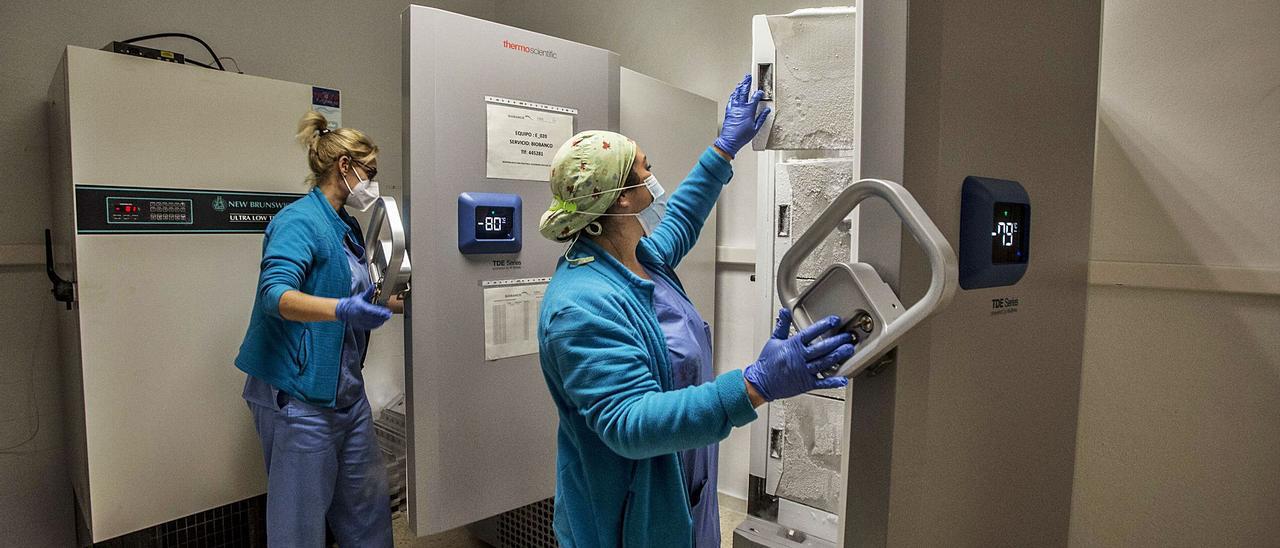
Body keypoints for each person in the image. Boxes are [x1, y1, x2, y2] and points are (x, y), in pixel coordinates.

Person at [537, 75, 857, 548]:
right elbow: (629, 422)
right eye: (646, 171)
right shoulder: (580, 305)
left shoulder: (639, 257)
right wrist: (754, 384)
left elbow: (681, 220)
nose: (654, 179)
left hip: (682, 482)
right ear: (621, 199)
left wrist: (725, 149)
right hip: (625, 518)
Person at [234, 111, 400, 547]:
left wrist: (401, 304)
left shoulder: (347, 225)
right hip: (300, 400)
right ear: (344, 167)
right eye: (370, 171)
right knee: (298, 528)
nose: (373, 183)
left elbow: (362, 291)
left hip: (346, 395)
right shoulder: (298, 221)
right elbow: (276, 296)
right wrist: (342, 310)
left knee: (369, 514)